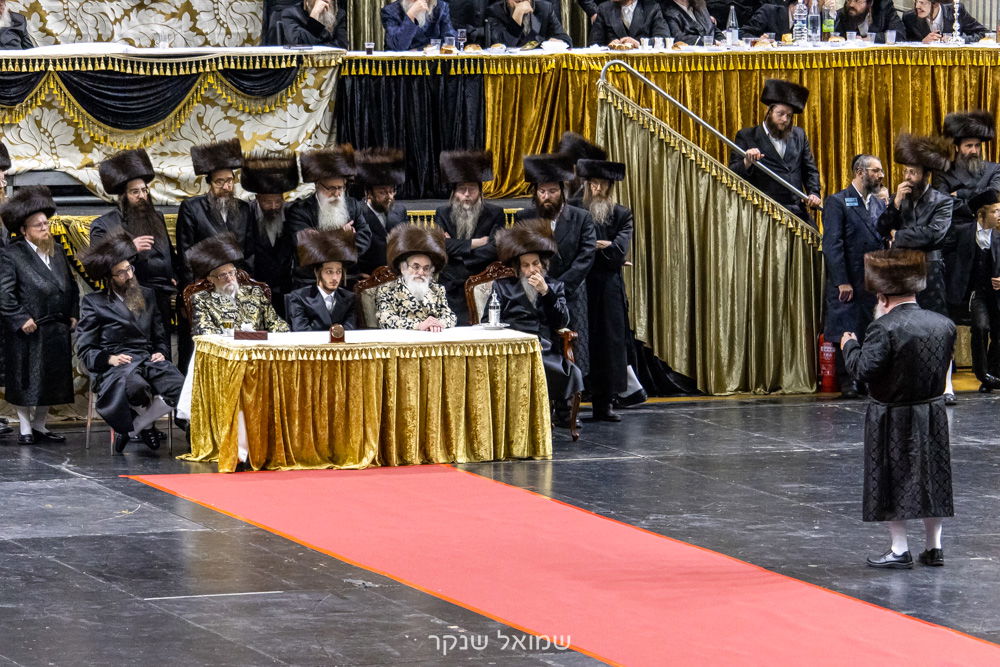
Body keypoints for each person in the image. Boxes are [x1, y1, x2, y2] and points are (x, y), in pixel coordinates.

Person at [841, 249, 956, 569]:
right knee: (933, 479)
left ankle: (899, 548)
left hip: (892, 415)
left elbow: (864, 370)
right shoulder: (944, 324)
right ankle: (934, 548)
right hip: (932, 414)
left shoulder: (884, 328)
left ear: (883, 296)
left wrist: (849, 345)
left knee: (892, 481)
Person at [76, 232, 185, 454]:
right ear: (109, 278)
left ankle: (136, 426)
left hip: (147, 359)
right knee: (136, 387)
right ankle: (140, 425)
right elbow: (85, 348)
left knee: (179, 386)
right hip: (117, 365)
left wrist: (161, 352)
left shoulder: (147, 294)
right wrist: (109, 358)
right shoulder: (93, 302)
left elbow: (159, 335)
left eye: (130, 269)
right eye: (121, 273)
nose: (129, 275)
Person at [877, 133, 954, 400]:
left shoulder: (943, 201)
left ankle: (946, 386)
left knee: (937, 326)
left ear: (925, 174)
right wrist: (895, 204)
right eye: (906, 171)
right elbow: (881, 228)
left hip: (930, 270)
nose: (907, 177)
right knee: (902, 328)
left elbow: (935, 235)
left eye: (913, 172)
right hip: (902, 270)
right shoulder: (901, 199)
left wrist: (900, 236)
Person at [0, 187, 78, 445]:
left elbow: (72, 285)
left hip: (55, 327)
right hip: (28, 330)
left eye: (46, 223)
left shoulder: (56, 251)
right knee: (26, 381)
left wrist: (73, 313)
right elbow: (4, 293)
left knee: (51, 381)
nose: (45, 229)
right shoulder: (11, 254)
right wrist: (20, 318)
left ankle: (40, 425)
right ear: (24, 230)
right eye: (39, 225)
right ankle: (24, 427)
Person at [487, 218, 584, 427]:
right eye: (526, 265)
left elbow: (562, 321)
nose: (531, 270)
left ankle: (564, 414)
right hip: (512, 346)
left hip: (544, 347)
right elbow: (490, 320)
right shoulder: (503, 287)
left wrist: (546, 293)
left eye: (535, 264)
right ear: (518, 268)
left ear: (543, 265)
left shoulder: (554, 287)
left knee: (563, 368)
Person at [515, 153, 597, 376]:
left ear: (562, 191)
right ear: (536, 193)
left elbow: (586, 255)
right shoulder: (524, 216)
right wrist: (541, 287)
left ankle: (569, 404)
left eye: (552, 191)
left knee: (572, 351)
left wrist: (559, 287)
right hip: (535, 293)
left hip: (571, 291)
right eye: (542, 191)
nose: (547, 196)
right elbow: (519, 254)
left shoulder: (581, 217)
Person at [92, 148, 178, 348]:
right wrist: (131, 248)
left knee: (161, 351)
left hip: (161, 297)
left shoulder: (157, 218)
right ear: (123, 196)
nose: (142, 196)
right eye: (134, 192)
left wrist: (174, 274)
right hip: (130, 299)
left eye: (144, 190)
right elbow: (97, 264)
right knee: (137, 351)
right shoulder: (104, 224)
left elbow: (169, 255)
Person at [572, 156, 632, 421]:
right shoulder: (574, 210)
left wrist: (596, 248)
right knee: (579, 340)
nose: (597, 189)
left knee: (608, 343)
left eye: (602, 184)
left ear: (610, 186)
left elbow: (618, 252)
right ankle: (568, 404)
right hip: (579, 283)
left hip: (607, 285)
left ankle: (604, 403)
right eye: (592, 183)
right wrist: (599, 245)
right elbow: (569, 248)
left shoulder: (621, 213)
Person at [822, 154, 887, 398]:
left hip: (872, 280)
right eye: (876, 170)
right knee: (846, 328)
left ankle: (867, 378)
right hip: (849, 279)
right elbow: (832, 244)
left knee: (869, 329)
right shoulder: (838, 202)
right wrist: (842, 281)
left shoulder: (880, 205)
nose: (881, 175)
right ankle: (849, 380)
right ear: (860, 172)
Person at [729, 78, 822, 226]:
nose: (785, 119)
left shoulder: (799, 135)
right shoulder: (747, 136)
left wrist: (814, 193)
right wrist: (746, 162)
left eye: (789, 115)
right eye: (781, 113)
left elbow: (810, 170)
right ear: (769, 112)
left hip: (797, 212)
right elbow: (732, 173)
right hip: (764, 213)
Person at [434, 150, 504, 322]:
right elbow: (441, 245)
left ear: (480, 191)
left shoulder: (495, 213)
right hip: (450, 284)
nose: (466, 194)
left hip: (483, 279)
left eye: (471, 189)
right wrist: (475, 243)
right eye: (461, 189)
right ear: (454, 193)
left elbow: (495, 247)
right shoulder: (442, 212)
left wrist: (460, 253)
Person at [176, 138, 256, 286]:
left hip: (237, 282)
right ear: (209, 183)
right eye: (219, 182)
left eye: (230, 181)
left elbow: (250, 253)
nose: (226, 187)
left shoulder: (245, 209)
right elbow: (185, 254)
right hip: (206, 283)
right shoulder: (192, 208)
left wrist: (245, 282)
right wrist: (192, 288)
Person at [287, 145, 371, 286]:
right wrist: (342, 237)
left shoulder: (353, 206)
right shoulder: (299, 210)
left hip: (348, 279)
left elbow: (365, 237)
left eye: (341, 188)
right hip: (311, 281)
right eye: (331, 188)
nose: (337, 194)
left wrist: (322, 240)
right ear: (318, 186)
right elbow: (304, 245)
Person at [944, 191, 1000, 392]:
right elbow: (946, 256)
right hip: (976, 294)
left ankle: (992, 376)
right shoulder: (962, 232)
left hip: (996, 295)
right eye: (995, 211)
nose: (999, 215)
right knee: (980, 327)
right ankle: (982, 372)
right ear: (981, 214)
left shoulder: (998, 237)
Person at [187, 233, 289, 335]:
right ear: (211, 279)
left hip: (259, 347)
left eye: (231, 272)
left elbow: (276, 322)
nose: (229, 278)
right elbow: (203, 330)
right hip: (226, 348)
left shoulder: (255, 292)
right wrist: (234, 333)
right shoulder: (202, 299)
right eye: (222, 275)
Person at [242, 151, 299, 316]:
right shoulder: (246, 213)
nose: (274, 206)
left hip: (286, 290)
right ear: (257, 198)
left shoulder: (291, 212)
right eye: (268, 202)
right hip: (255, 290)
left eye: (278, 200)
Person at [374, 224, 457, 331]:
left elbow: (450, 316)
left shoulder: (437, 289)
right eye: (416, 267)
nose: (421, 272)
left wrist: (438, 323)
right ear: (403, 268)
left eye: (426, 268)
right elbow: (386, 320)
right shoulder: (386, 290)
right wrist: (419, 325)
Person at [935, 111, 1000, 226]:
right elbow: (943, 205)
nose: (974, 151)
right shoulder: (942, 174)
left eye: (977, 145)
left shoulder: (994, 169)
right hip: (956, 234)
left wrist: (961, 193)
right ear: (956, 148)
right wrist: (979, 201)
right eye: (969, 146)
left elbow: (993, 194)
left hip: (987, 234)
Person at [286, 228, 358, 331]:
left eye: (339, 272)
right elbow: (301, 333)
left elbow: (349, 331)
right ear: (317, 272)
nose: (335, 278)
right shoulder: (299, 298)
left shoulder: (349, 298)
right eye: (329, 272)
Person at [355, 148, 408, 276]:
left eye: (392, 191)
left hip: (397, 275)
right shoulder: (357, 212)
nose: (389, 196)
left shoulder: (400, 210)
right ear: (369, 193)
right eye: (382, 192)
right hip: (367, 277)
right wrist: (358, 275)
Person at [484, 0, 572, 48]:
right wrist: (517, 15)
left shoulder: (545, 8)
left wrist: (556, 42)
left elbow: (565, 39)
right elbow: (500, 47)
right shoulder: (494, 11)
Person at [265, 0, 348, 48]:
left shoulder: (338, 14)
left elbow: (341, 46)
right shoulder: (291, 14)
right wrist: (314, 16)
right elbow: (300, 45)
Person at [589, 0, 670, 47]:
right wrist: (609, 47)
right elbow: (594, 44)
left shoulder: (652, 8)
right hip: (613, 68)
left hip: (643, 68)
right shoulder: (604, 9)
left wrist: (639, 44)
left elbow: (664, 40)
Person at [381, 0, 456, 50]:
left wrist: (419, 50)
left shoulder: (440, 7)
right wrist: (410, 15)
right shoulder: (390, 10)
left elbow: (450, 40)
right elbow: (397, 46)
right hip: (402, 66)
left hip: (433, 66)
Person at [901, 0, 986, 43]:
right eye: (916, 1)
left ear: (936, 4)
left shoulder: (956, 11)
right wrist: (922, 43)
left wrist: (959, 40)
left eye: (922, 2)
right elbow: (904, 43)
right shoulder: (909, 17)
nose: (917, 6)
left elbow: (982, 33)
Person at [833, 0, 905, 43]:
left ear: (869, 3)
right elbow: (834, 37)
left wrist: (869, 39)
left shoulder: (884, 6)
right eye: (849, 0)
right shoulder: (843, 13)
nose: (851, 4)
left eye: (857, 0)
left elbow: (899, 34)